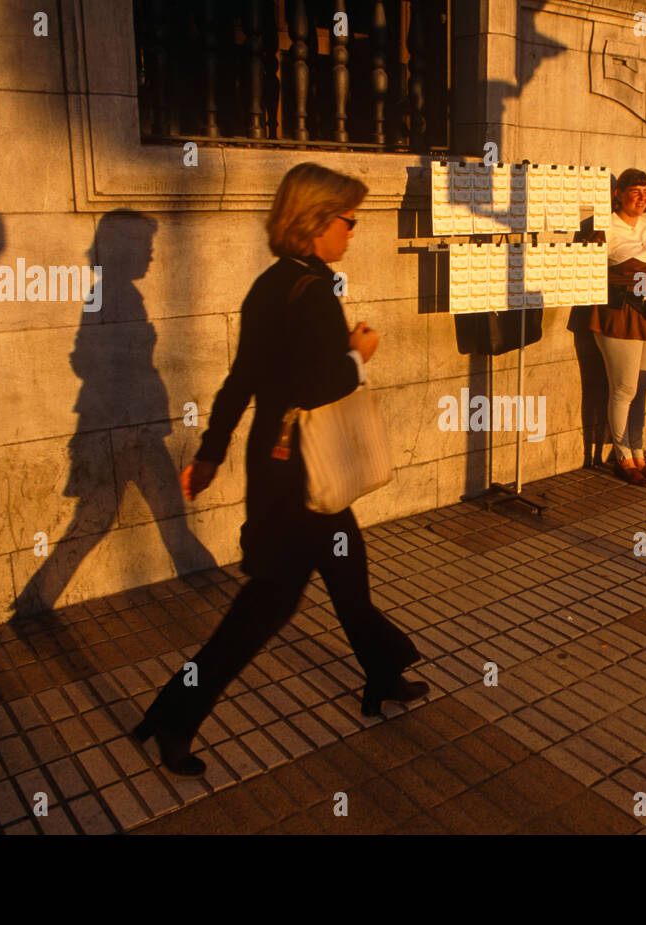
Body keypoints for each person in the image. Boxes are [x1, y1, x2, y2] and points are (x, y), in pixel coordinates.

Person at [133, 163, 428, 777]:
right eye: (349, 221)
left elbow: (244, 377)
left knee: (348, 579)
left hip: (279, 460)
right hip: (302, 472)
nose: (353, 232)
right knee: (268, 604)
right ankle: (176, 716)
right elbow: (318, 385)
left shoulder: (271, 285)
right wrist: (357, 354)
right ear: (317, 222)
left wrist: (213, 453)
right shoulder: (315, 291)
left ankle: (384, 673)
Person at [582, 168, 646, 485]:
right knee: (624, 389)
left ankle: (639, 453)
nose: (642, 198)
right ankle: (622, 457)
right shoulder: (602, 227)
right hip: (619, 316)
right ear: (618, 193)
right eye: (635, 191)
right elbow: (587, 275)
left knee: (642, 389)